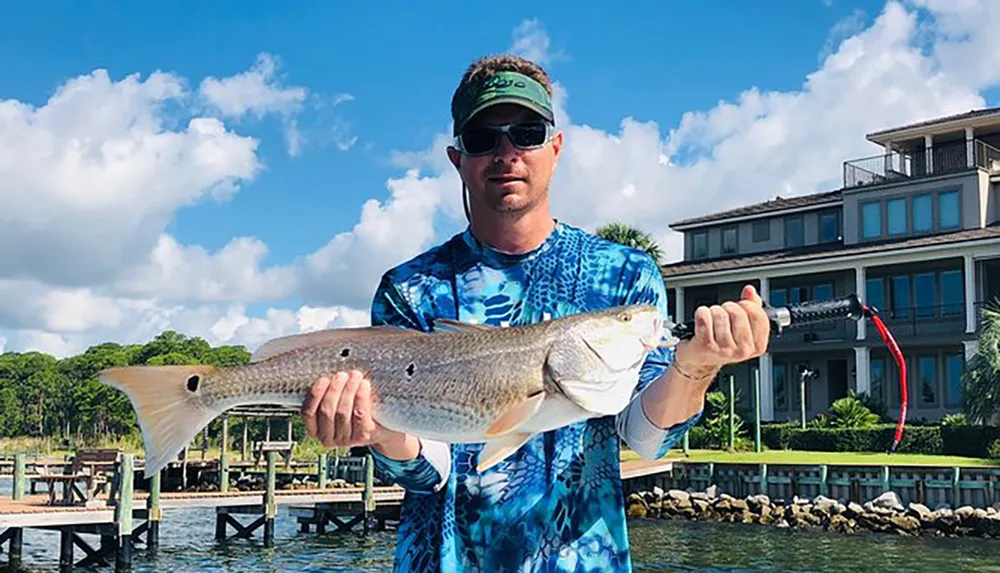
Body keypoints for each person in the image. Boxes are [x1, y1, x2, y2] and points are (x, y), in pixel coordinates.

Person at [300, 54, 770, 572]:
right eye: (483, 139)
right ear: (458, 158)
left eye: (526, 132)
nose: (507, 153)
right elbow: (426, 470)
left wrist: (696, 366)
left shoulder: (623, 280)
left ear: (556, 146)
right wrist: (378, 431)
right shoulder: (410, 289)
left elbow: (644, 436)